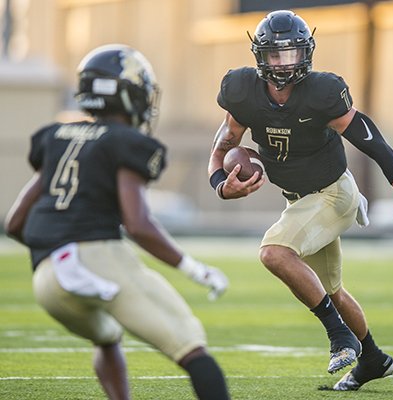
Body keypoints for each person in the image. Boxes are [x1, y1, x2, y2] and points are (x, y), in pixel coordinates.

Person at [208, 10, 393, 391]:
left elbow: (374, 144)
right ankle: (373, 359)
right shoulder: (242, 91)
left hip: (334, 194)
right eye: (275, 55)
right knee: (331, 291)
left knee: (274, 252)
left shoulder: (322, 92)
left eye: (292, 54)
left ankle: (340, 336)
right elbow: (220, 151)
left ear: (307, 54)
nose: (284, 64)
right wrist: (221, 185)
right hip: (299, 202)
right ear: (259, 57)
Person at [4, 44, 230, 400]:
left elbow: (16, 222)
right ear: (129, 95)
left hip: (47, 280)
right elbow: (137, 223)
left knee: (108, 336)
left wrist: (59, 248)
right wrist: (191, 267)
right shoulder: (126, 141)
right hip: (98, 260)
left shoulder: (56, 136)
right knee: (192, 347)